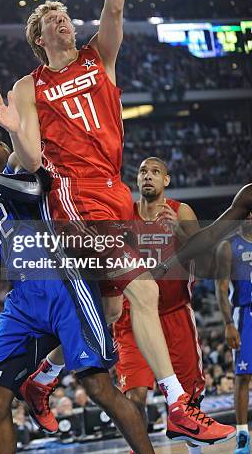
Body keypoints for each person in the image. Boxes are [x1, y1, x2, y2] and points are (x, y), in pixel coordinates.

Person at [0, 0, 234, 446]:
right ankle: (178, 403)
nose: (62, 20)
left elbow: (115, 6)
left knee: (114, 305)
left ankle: (41, 377)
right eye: (51, 19)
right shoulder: (30, 85)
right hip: (74, 199)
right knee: (142, 291)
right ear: (39, 37)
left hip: (113, 188)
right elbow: (30, 162)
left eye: (65, 15)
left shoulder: (99, 60)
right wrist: (12, 127)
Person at [0, 140, 155, 454]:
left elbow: (34, 189)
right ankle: (36, 388)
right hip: (23, 301)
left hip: (66, 285)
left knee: (98, 387)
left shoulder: (25, 169)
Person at [114, 157, 205, 454]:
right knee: (134, 396)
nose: (148, 176)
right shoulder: (124, 214)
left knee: (188, 397)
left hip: (174, 311)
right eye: (143, 172)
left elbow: (204, 262)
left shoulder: (182, 212)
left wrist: (179, 233)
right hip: (133, 316)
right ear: (137, 180)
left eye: (155, 172)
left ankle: (195, 449)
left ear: (166, 180)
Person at [215, 215, 252, 454]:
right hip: (244, 312)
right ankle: (242, 434)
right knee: (243, 376)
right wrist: (228, 323)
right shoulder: (228, 246)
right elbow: (221, 287)